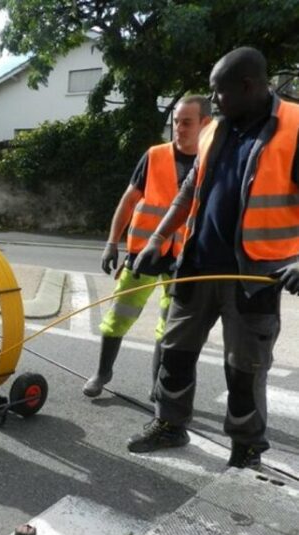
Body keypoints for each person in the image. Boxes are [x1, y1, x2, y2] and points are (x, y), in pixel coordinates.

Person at [127, 47, 299, 469]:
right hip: (198, 265)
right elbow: (190, 191)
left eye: (219, 92)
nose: (214, 100)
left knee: (245, 367)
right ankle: (169, 424)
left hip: (255, 274)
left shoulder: (295, 127)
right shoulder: (214, 131)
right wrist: (159, 237)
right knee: (175, 349)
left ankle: (246, 448)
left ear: (248, 86)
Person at [84, 96, 212, 398]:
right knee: (119, 313)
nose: (178, 128)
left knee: (169, 325)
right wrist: (111, 243)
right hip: (144, 252)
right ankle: (102, 372)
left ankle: (158, 385)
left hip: (183, 257)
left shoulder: (211, 161)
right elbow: (129, 200)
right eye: (176, 121)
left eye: (186, 122)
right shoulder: (154, 155)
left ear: (205, 124)